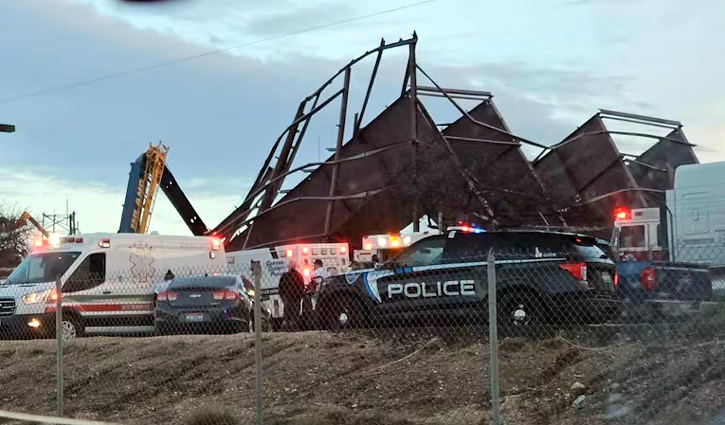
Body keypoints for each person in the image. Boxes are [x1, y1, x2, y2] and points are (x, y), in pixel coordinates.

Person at [278, 260, 305, 331]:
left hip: (287, 297)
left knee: (287, 311)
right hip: (296, 298)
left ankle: (285, 326)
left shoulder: (285, 276)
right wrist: (300, 296)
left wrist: (283, 297)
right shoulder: (298, 275)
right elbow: (301, 287)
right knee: (295, 313)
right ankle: (293, 326)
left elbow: (280, 287)